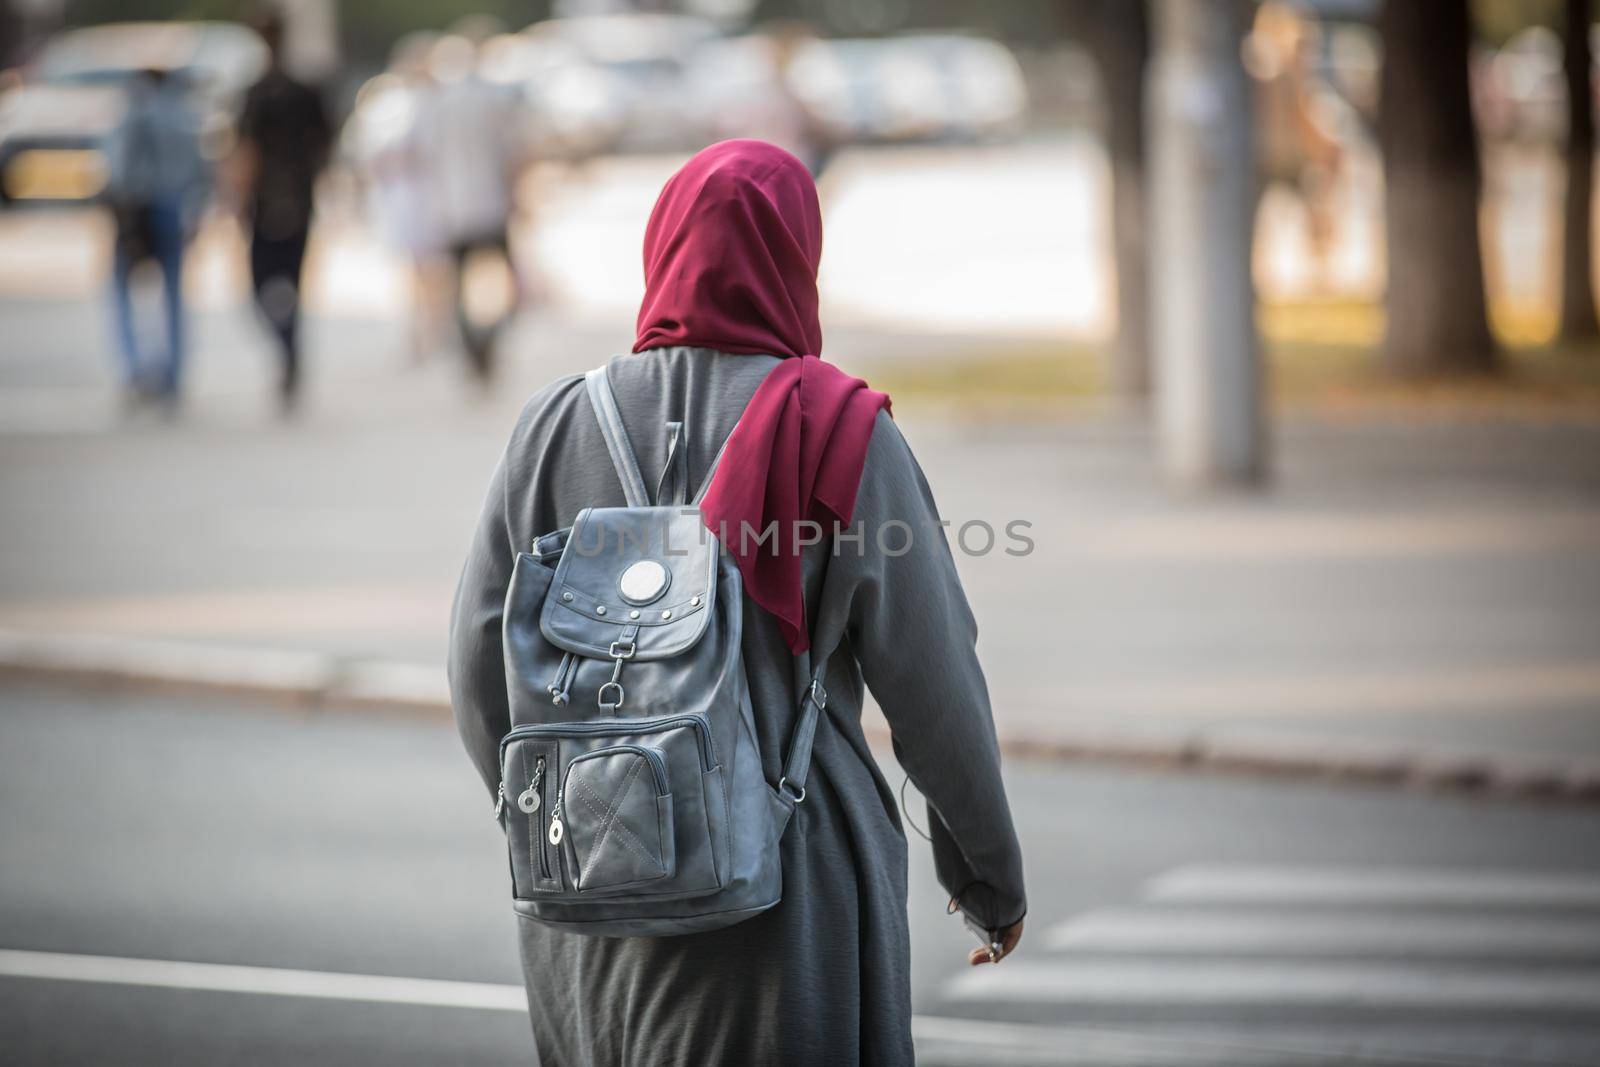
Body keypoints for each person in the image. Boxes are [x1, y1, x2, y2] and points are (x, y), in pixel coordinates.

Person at [448, 140, 1026, 1065]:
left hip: (587, 908)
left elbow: (478, 667)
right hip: (781, 898)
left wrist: (580, 811)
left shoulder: (552, 427)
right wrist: (989, 872)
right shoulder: (838, 430)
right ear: (799, 258)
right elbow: (934, 677)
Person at [408, 32, 526, 381]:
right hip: (489, 205)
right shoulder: (492, 100)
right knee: (509, 284)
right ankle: (486, 340)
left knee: (458, 288)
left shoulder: (435, 106)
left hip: (454, 209)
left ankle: (474, 344)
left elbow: (422, 159)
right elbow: (513, 154)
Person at [236, 13, 331, 412]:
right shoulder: (303, 90)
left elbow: (244, 153)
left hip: (269, 202)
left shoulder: (258, 93)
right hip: (297, 199)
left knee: (262, 285)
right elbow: (325, 145)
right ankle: (289, 345)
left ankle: (286, 344)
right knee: (290, 283)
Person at [108, 67, 205, 412]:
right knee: (175, 295)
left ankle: (135, 368)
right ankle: (173, 375)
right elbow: (201, 171)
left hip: (139, 209)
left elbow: (118, 167)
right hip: (174, 209)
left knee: (122, 290)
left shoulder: (134, 113)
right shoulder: (185, 116)